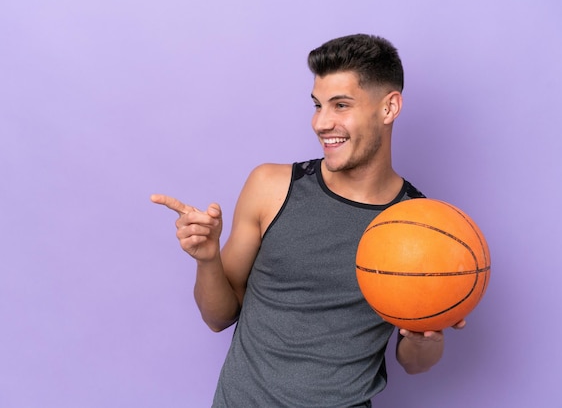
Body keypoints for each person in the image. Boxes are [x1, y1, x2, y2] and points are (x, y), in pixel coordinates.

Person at [151, 34, 465, 407]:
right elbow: (218, 318)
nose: (321, 122)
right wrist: (207, 259)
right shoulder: (271, 186)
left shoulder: (420, 225)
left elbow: (414, 365)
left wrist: (422, 336)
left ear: (389, 108)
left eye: (341, 105)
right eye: (318, 105)